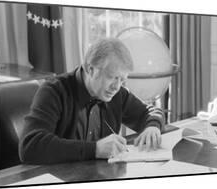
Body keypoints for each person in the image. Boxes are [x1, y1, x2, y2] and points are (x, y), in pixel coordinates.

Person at [19, 38, 165, 164]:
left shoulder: (116, 94)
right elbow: (30, 146)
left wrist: (153, 126)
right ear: (90, 69)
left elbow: (151, 112)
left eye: (122, 80)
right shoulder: (53, 91)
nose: (116, 86)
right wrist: (95, 149)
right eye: (112, 77)